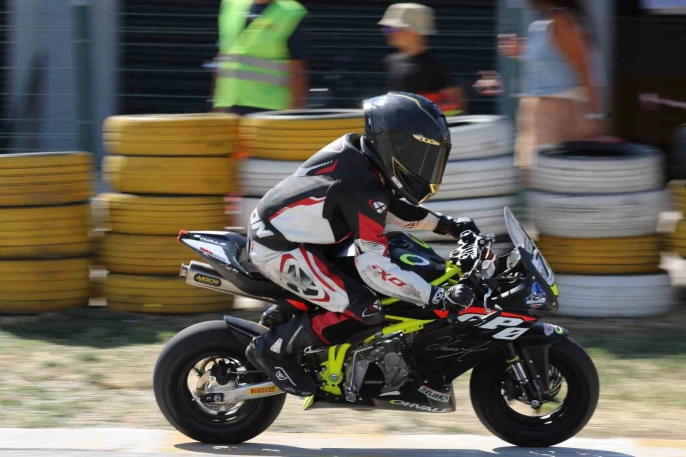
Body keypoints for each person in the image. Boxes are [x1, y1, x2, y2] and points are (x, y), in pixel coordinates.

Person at [245, 92, 479, 396]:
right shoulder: (362, 186)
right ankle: (273, 349)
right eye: (419, 153)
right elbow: (374, 267)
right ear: (396, 144)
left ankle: (292, 314)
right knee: (366, 309)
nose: (424, 163)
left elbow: (389, 208)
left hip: (303, 238)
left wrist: (447, 225)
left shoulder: (360, 156)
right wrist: (435, 296)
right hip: (280, 248)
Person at [486, 0, 608, 172]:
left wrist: (594, 115)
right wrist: (521, 50)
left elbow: (585, 70)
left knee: (546, 173)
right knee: (531, 171)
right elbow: (549, 58)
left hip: (557, 110)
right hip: (535, 112)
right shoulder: (541, 25)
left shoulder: (562, 22)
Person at [213, 0, 308, 115]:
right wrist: (219, 102)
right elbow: (223, 56)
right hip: (230, 104)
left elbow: (297, 68)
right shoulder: (232, 4)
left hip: (270, 107)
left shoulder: (290, 12)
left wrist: (294, 110)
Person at [378, 3, 465, 116]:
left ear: (416, 32)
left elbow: (457, 107)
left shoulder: (436, 67)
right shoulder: (390, 61)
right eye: (388, 29)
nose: (389, 33)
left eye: (394, 29)